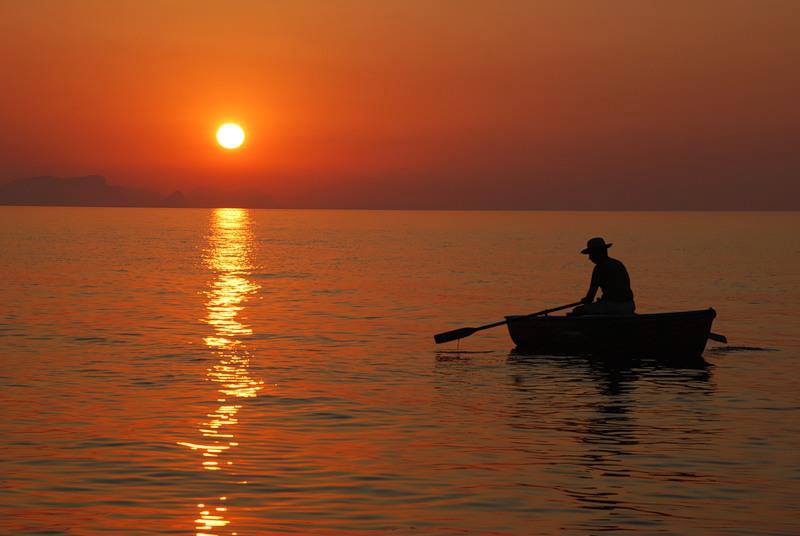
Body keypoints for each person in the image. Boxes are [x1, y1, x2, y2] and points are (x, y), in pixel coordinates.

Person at [572, 237, 635, 315]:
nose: (589, 258)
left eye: (591, 254)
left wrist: (585, 300)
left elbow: (590, 297)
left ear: (597, 253)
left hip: (614, 307)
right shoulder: (618, 263)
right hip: (630, 305)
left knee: (577, 311)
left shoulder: (599, 268)